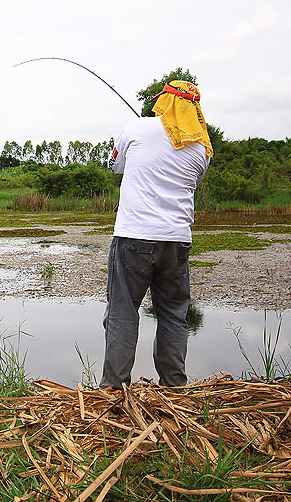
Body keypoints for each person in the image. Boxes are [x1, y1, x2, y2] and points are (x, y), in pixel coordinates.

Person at [100, 80, 212, 389]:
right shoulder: (203, 148)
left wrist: (130, 139)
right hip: (177, 241)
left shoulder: (137, 128)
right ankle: (174, 385)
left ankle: (113, 388)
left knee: (122, 313)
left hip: (133, 237)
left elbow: (114, 166)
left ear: (166, 101)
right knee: (174, 316)